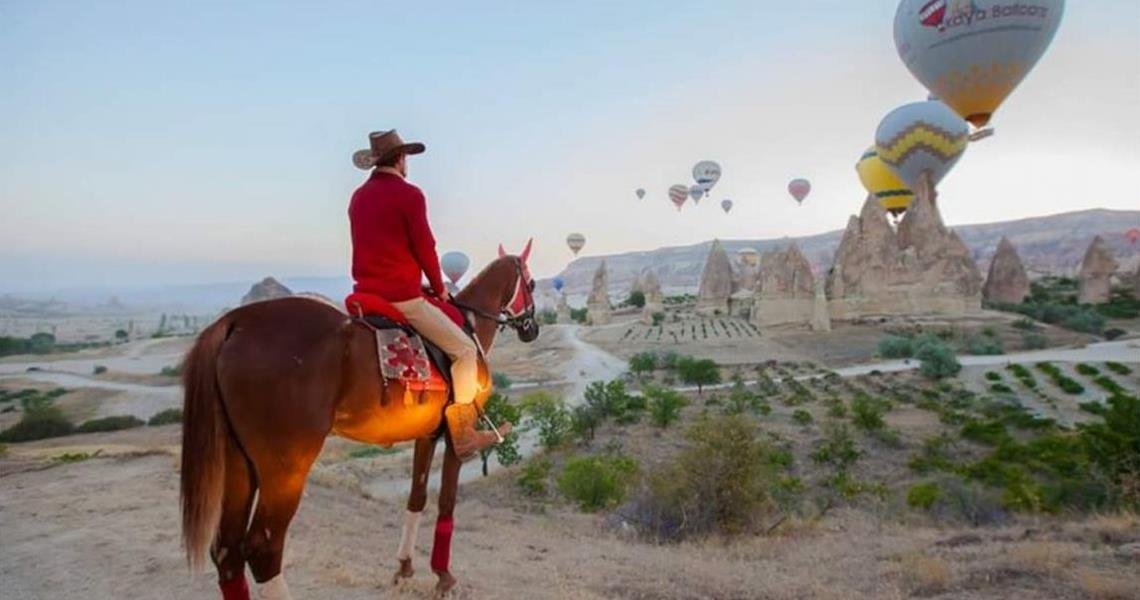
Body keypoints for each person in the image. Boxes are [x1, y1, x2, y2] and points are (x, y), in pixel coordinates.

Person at [348, 129, 510, 458]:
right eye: (407, 158)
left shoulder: (358, 197)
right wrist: (439, 289)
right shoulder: (410, 195)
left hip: (365, 293)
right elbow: (425, 247)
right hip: (401, 298)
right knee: (465, 351)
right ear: (401, 158)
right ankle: (463, 432)